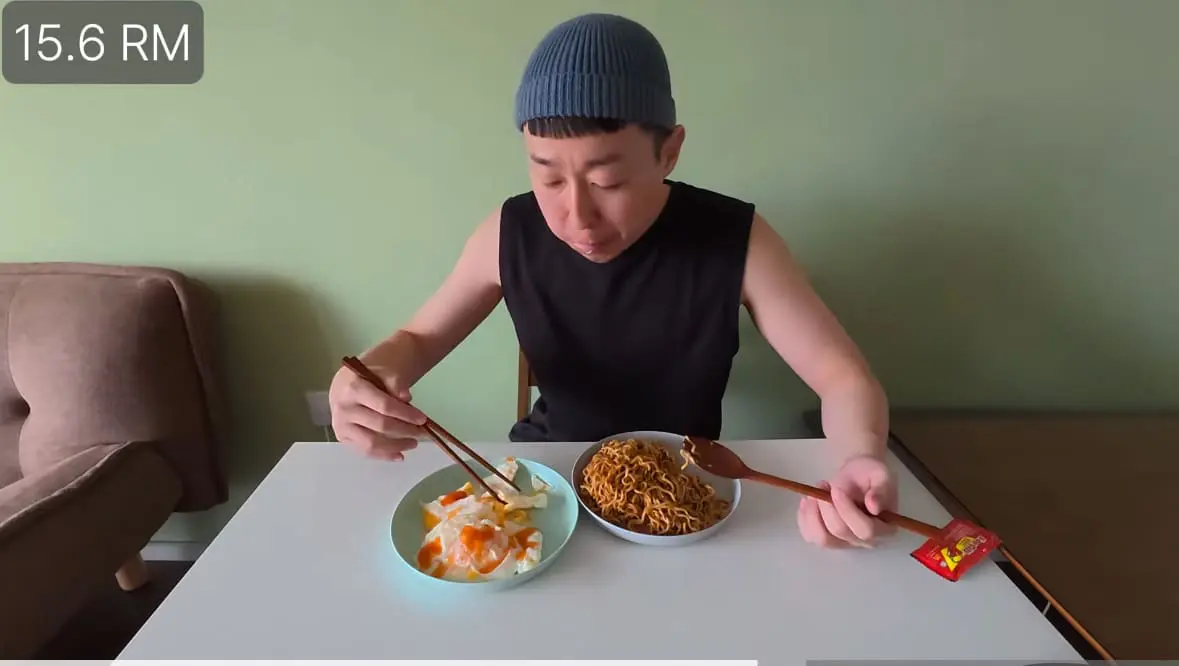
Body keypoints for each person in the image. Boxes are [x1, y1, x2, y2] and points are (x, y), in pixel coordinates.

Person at [329, 13, 896, 549]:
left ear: (669, 151)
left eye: (609, 181)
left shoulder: (736, 238)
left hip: (684, 496)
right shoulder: (510, 231)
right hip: (542, 489)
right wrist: (375, 376)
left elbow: (841, 375)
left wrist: (860, 456)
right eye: (548, 177)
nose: (576, 216)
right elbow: (418, 340)